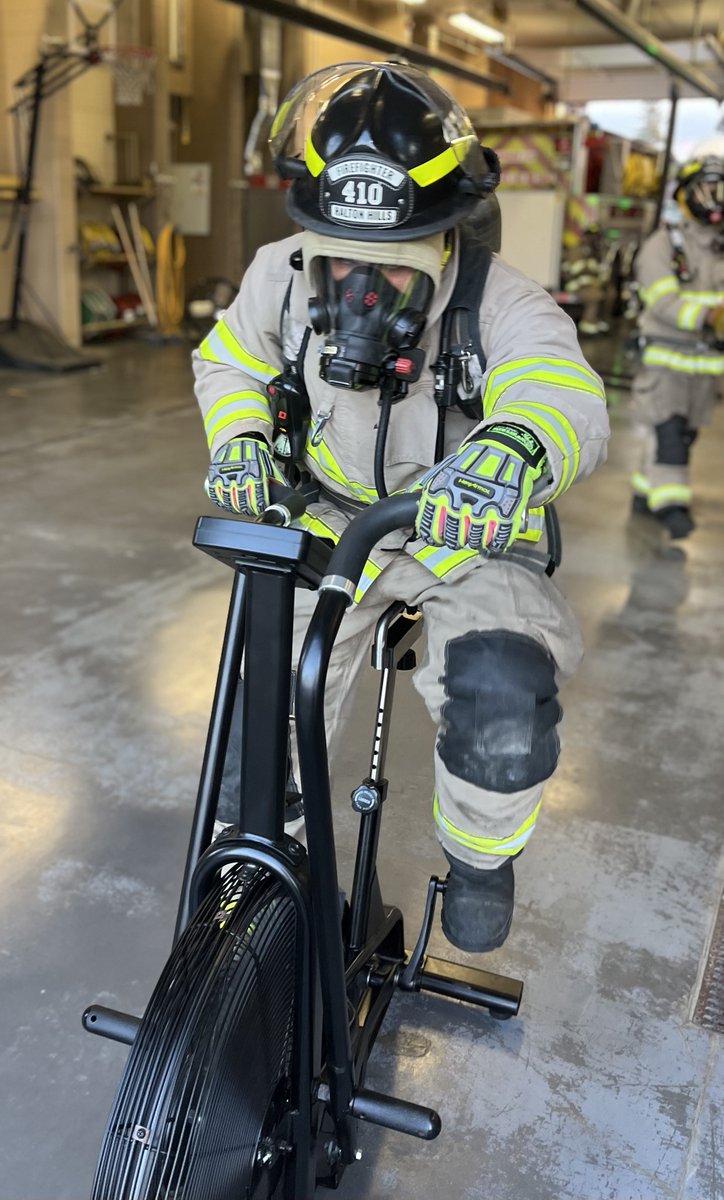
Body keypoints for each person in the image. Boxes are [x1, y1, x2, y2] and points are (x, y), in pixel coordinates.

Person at [192, 62, 609, 955]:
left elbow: (561, 389)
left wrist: (513, 450)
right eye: (339, 258)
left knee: (502, 690)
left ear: (443, 237)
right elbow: (227, 358)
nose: (358, 291)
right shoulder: (281, 273)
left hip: (467, 537)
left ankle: (479, 858)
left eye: (389, 267)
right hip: (330, 515)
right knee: (257, 703)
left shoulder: (503, 301)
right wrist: (239, 440)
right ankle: (266, 868)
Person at [630, 153, 724, 538]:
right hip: (664, 362)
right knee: (669, 436)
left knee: (680, 435)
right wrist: (709, 317)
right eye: (707, 190)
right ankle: (672, 507)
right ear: (686, 195)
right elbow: (664, 302)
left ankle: (643, 492)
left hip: (704, 370)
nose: (714, 198)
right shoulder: (663, 245)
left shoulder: (718, 247)